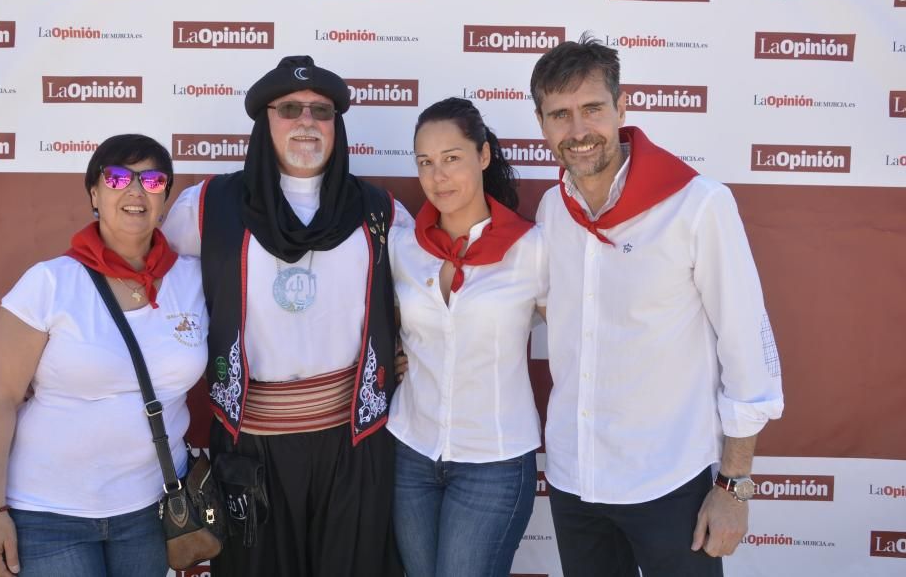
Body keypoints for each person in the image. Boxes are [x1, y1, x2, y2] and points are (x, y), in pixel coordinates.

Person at [531, 35, 785, 577]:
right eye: (560, 115)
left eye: (593, 109)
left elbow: (748, 352)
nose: (578, 131)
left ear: (623, 107)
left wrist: (734, 486)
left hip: (670, 483)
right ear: (542, 123)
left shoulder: (698, 204)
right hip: (576, 481)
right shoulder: (553, 209)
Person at [161, 55, 409, 576]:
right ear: (263, 121)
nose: (306, 122)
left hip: (353, 442)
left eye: (321, 111)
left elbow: (429, 297)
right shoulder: (207, 207)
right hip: (250, 445)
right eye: (289, 108)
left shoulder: (379, 213)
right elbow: (150, 287)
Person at [0, 134, 207, 577]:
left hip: (152, 511)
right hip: (48, 514)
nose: (135, 190)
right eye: (118, 177)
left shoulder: (195, 281)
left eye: (153, 181)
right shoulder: (49, 284)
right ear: (94, 194)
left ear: (165, 201)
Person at [386, 97, 547, 577]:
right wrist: (397, 348)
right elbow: (385, 324)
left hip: (493, 462)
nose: (438, 177)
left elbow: (580, 339)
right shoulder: (402, 245)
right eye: (425, 163)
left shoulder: (531, 248)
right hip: (411, 451)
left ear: (483, 156)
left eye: (452, 158)